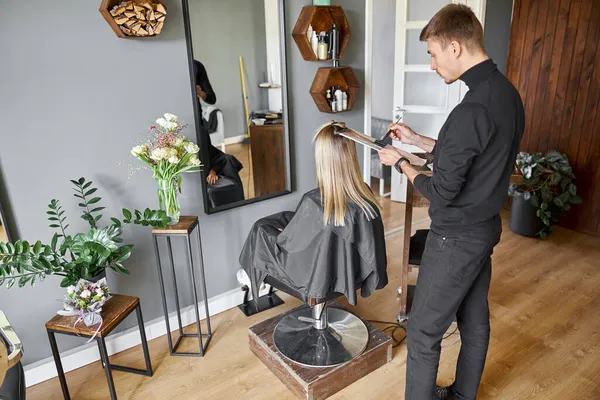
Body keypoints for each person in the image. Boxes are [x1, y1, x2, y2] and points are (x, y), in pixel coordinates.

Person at [378, 5, 524, 400]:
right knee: (475, 321)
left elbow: (441, 192)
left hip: (455, 238)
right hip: (484, 229)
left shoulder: (470, 110)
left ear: (455, 47)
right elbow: (474, 154)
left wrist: (402, 163)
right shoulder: (506, 95)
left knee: (424, 331)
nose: (431, 64)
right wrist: (419, 140)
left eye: (432, 53)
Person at [239, 121, 387, 305]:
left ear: (323, 159)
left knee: (259, 229)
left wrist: (281, 236)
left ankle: (249, 273)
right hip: (348, 273)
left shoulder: (313, 203)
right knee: (281, 219)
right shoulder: (364, 193)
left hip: (312, 277)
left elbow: (292, 246)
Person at [193, 60, 243, 191]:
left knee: (214, 159)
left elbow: (211, 98)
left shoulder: (196, 66)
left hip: (196, 121)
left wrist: (201, 93)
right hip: (174, 123)